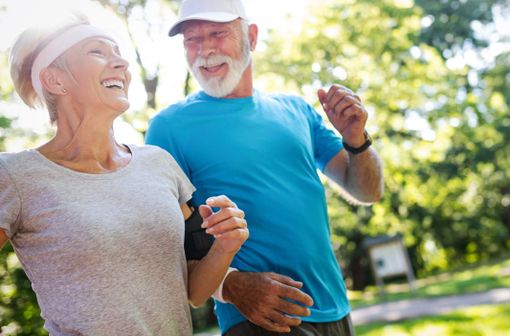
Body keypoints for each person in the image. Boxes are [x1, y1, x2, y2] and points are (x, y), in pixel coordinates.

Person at [0, 13, 248, 335]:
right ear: (55, 80)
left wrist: (226, 245)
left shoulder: (159, 163)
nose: (121, 64)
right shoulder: (16, 176)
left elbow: (195, 291)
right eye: (98, 52)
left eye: (118, 53)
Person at [146, 0, 384, 335]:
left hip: (337, 310)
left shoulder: (297, 111)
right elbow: (164, 244)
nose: (205, 50)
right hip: (259, 319)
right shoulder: (168, 128)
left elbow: (368, 190)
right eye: (191, 39)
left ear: (252, 37)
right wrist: (231, 286)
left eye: (217, 33)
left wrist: (357, 140)